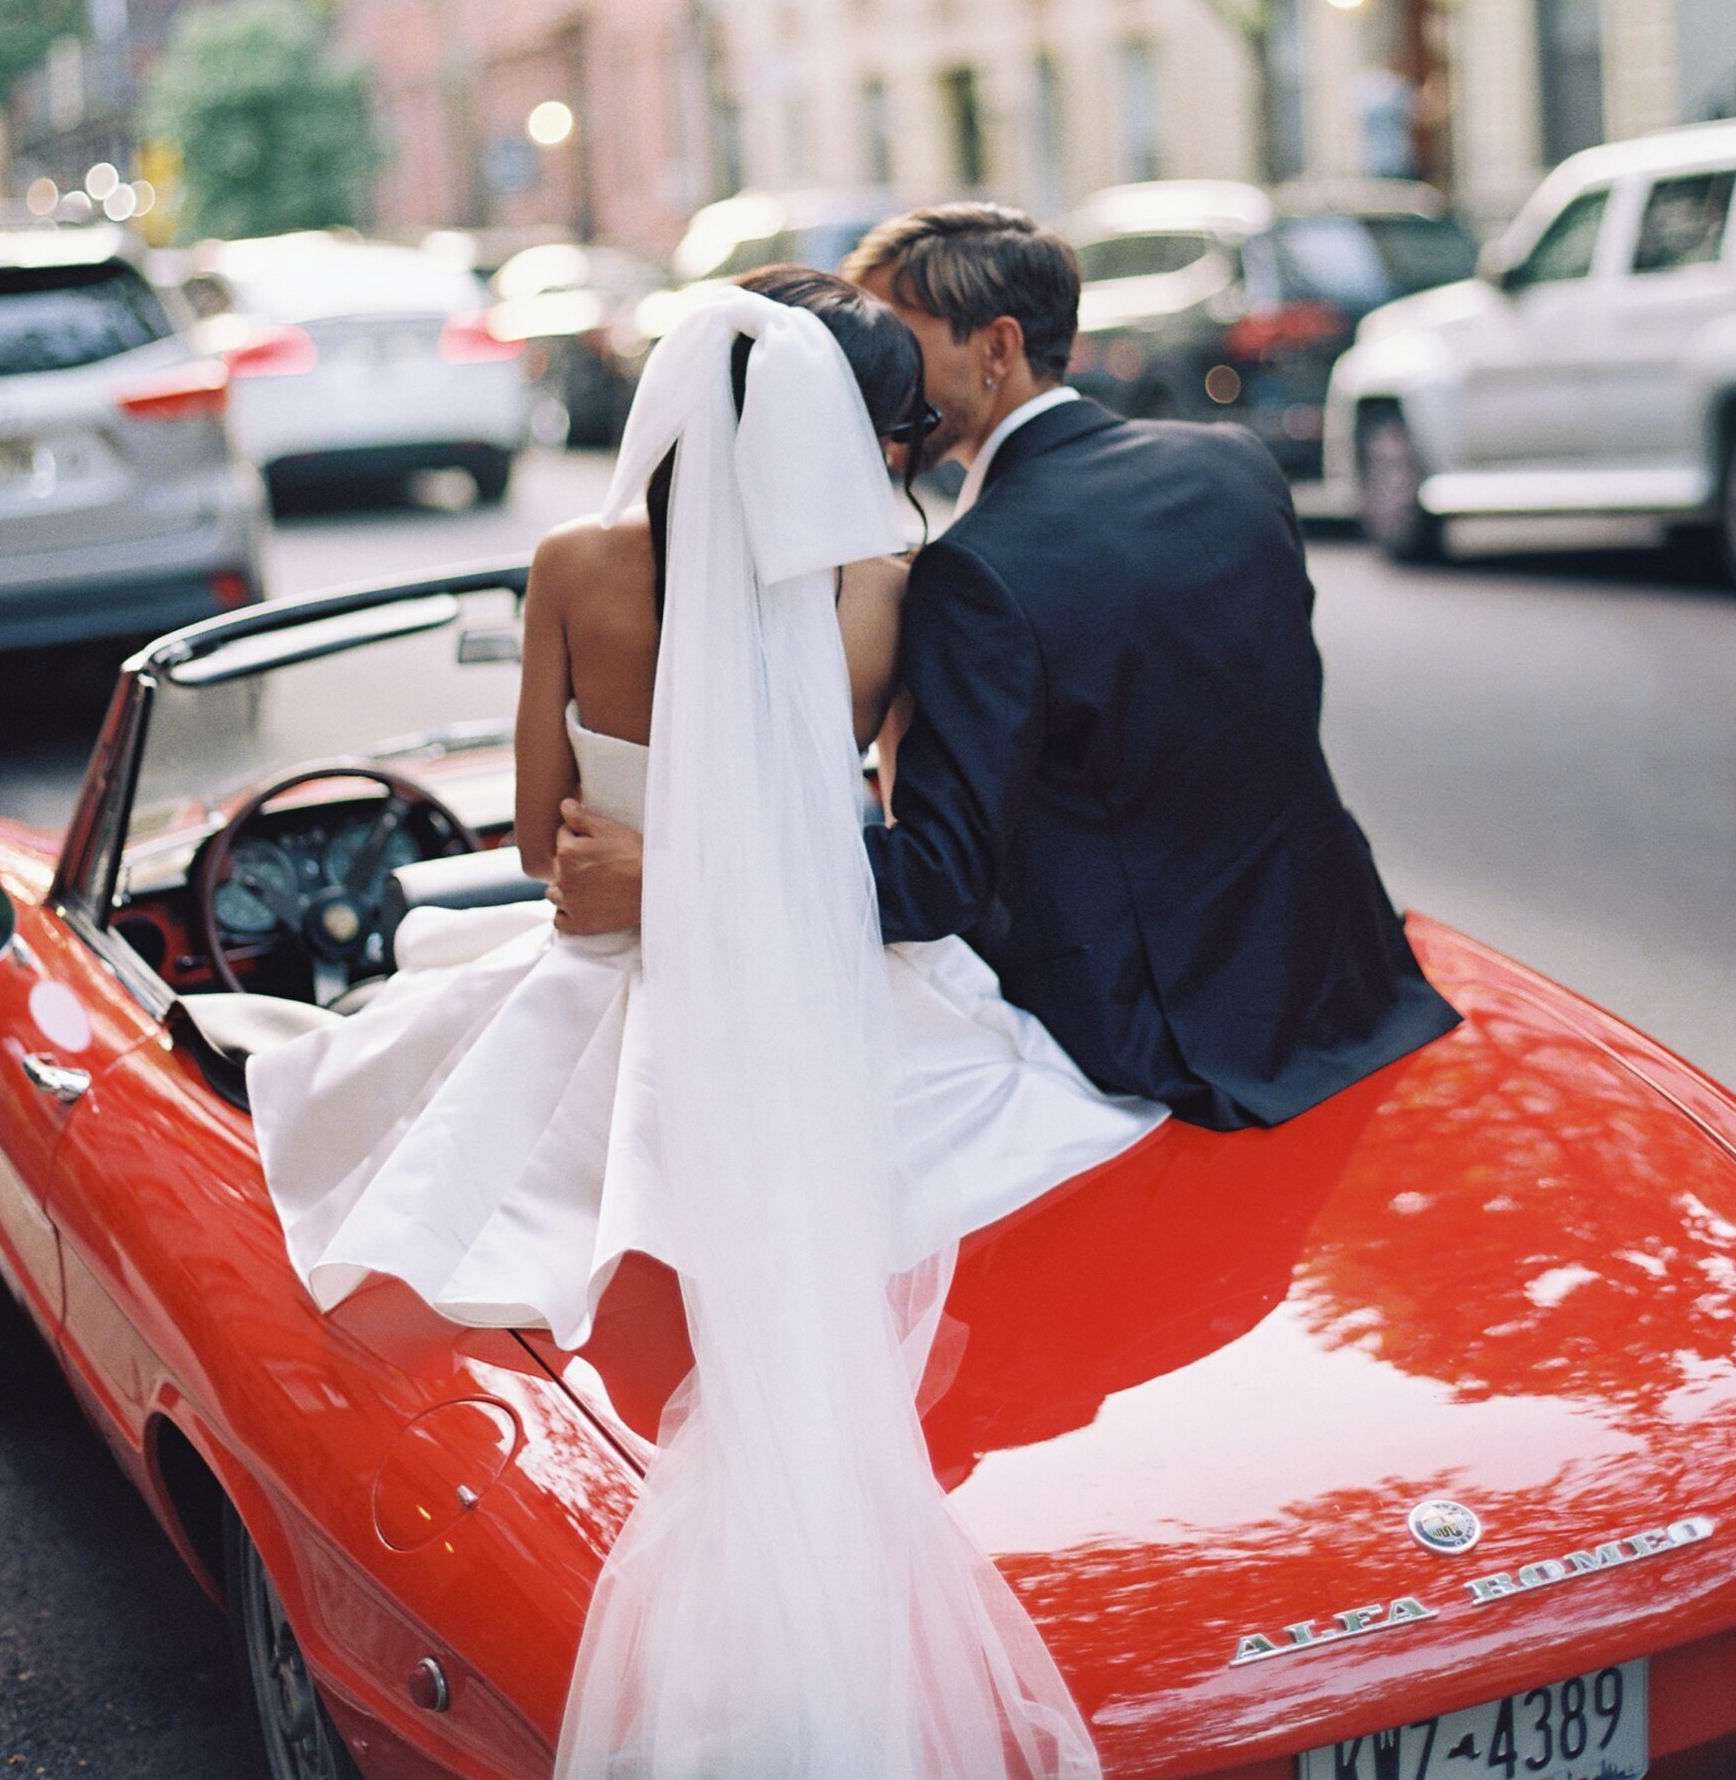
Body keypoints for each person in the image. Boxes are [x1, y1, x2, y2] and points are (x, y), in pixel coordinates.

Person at [233, 266, 1161, 1780]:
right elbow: (870, 838)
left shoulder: (574, 563)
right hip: (819, 993)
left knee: (372, 1115)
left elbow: (543, 842)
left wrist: (650, 872)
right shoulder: (879, 578)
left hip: (612, 989)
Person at [556, 205, 1459, 1132]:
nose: (859, 381)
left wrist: (671, 879)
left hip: (1147, 1035)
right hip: (1339, 980)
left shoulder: (974, 570)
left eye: (891, 347)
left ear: (996, 348)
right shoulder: (1231, 465)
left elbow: (937, 881)